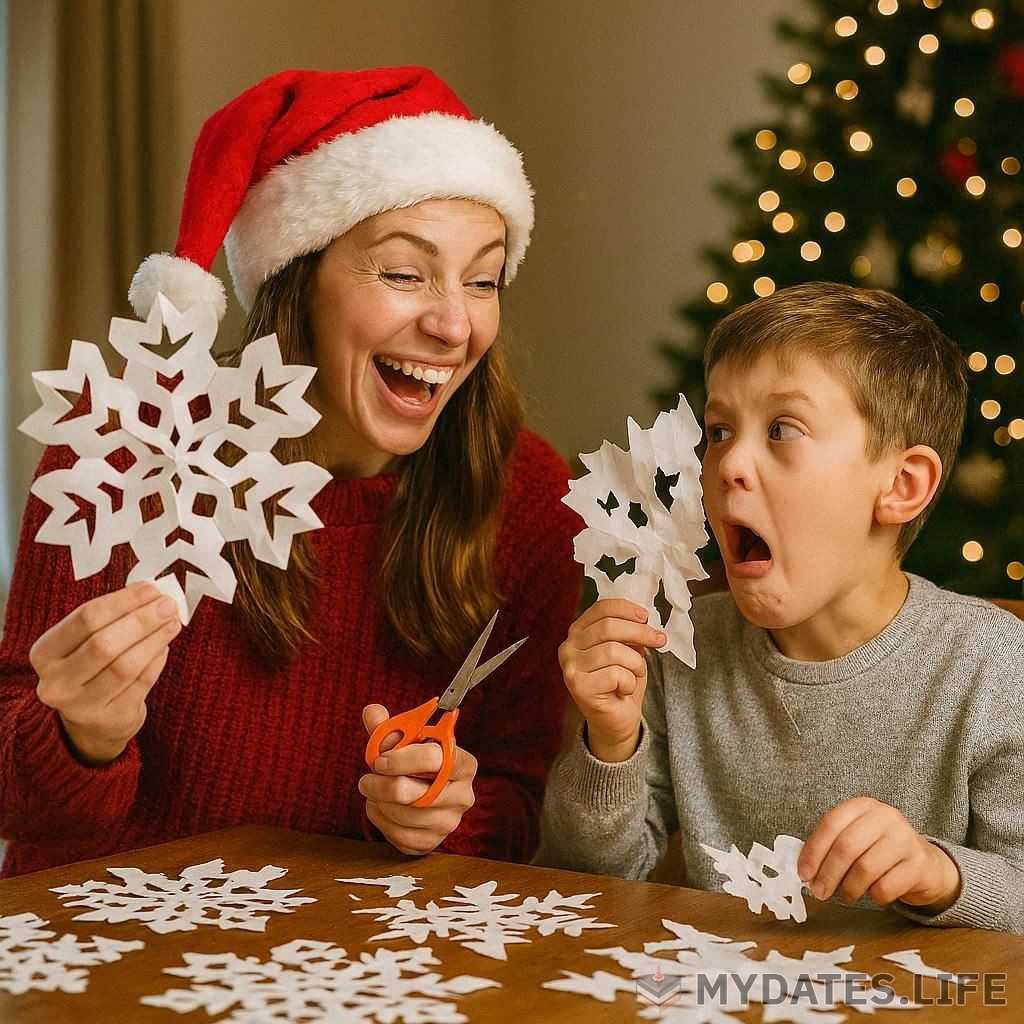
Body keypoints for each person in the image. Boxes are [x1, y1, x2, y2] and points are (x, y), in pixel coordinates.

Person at [0, 67, 581, 877]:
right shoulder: (122, 453)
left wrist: (442, 817)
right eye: (405, 273)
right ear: (297, 283)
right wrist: (79, 737)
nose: (454, 323)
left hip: (347, 970)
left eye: (482, 280)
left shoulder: (526, 500)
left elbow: (521, 800)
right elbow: (18, 800)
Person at [538, 282, 1024, 934]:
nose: (730, 462)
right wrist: (611, 744)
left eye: (782, 429)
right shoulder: (680, 648)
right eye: (719, 430)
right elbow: (585, 881)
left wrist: (940, 874)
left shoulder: (995, 669)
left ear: (901, 486)